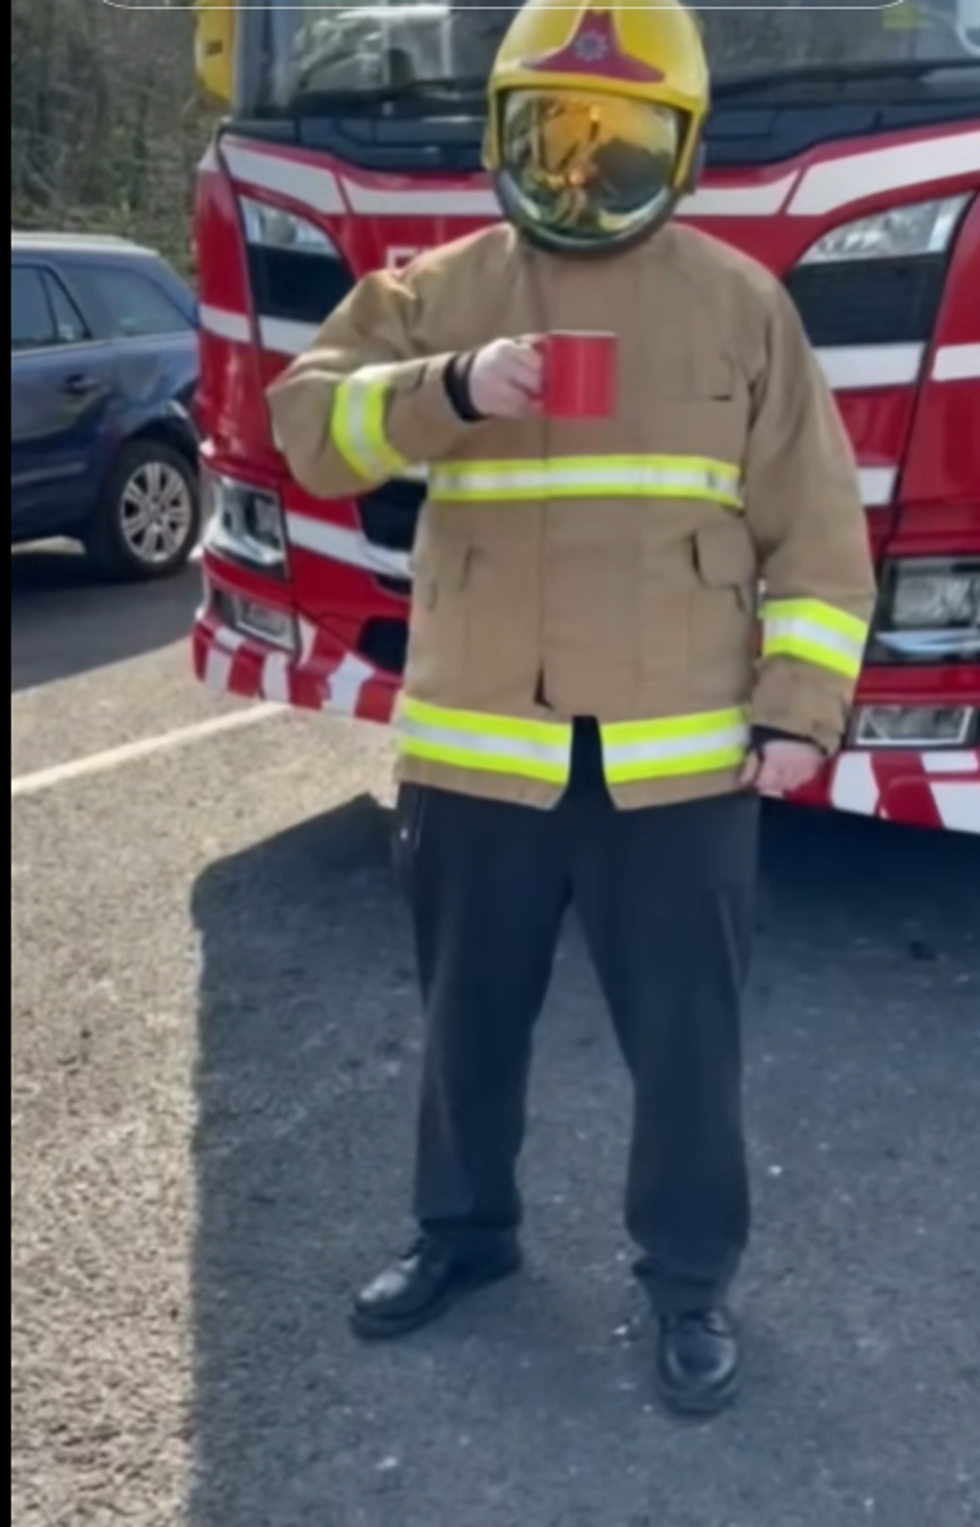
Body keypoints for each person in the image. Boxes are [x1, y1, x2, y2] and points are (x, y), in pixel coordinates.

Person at [268, 0, 876, 1417]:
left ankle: (687, 1286)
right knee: (463, 1027)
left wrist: (801, 709)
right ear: (502, 135)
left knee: (687, 1051)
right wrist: (447, 390)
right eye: (557, 136)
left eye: (618, 143)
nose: (583, 172)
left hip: (682, 769)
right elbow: (308, 426)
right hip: (480, 751)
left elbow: (821, 534)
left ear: (682, 147)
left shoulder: (743, 305)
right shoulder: (438, 291)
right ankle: (464, 1236)